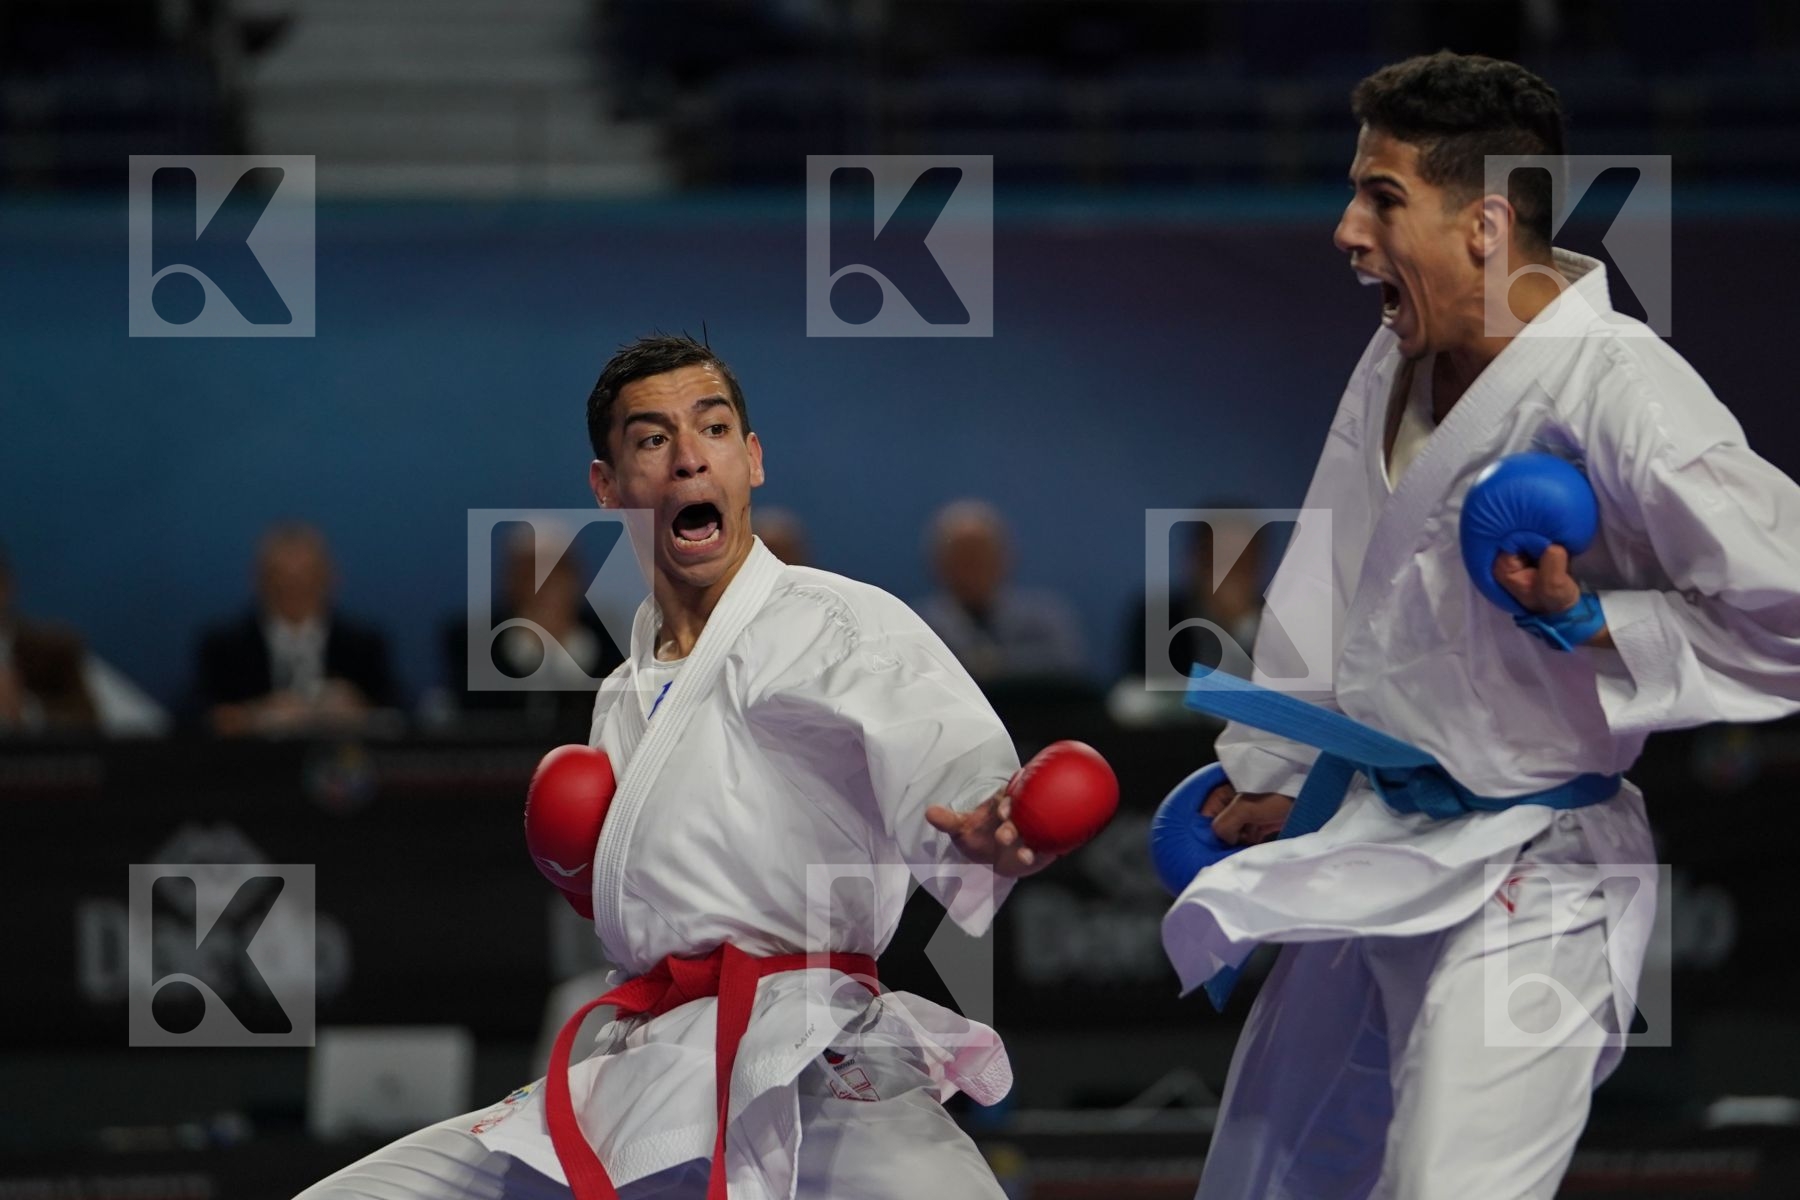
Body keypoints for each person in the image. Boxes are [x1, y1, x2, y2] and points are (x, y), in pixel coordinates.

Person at [1160, 52, 1800, 1199]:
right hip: (1376, 844)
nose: (1348, 230)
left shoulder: (1622, 394)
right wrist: (1280, 769)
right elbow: (1339, 572)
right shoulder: (1401, 353)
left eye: (1383, 197)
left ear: (1486, 224)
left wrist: (1597, 616)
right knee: (1265, 1182)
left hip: (1534, 870)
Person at [296, 335, 1055, 1199]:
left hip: (813, 1053)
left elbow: (950, 768)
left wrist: (994, 819)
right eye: (653, 439)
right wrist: (589, 880)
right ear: (608, 487)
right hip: (652, 1058)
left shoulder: (840, 622)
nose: (690, 457)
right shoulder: (622, 690)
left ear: (752, 459)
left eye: (716, 429)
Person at [196, 521, 397, 736]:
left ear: (329, 577)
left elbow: (401, 714)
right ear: (259, 580)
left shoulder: (363, 645)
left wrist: (358, 710)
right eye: (281, 579)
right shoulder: (225, 646)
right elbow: (194, 717)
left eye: (306, 577)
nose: (294, 589)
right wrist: (255, 714)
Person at [915, 499, 1086, 684]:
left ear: (1005, 559)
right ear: (938, 565)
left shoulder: (1045, 621)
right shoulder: (916, 625)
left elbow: (1069, 667)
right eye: (962, 559)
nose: (973, 569)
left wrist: (994, 664)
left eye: (981, 557)